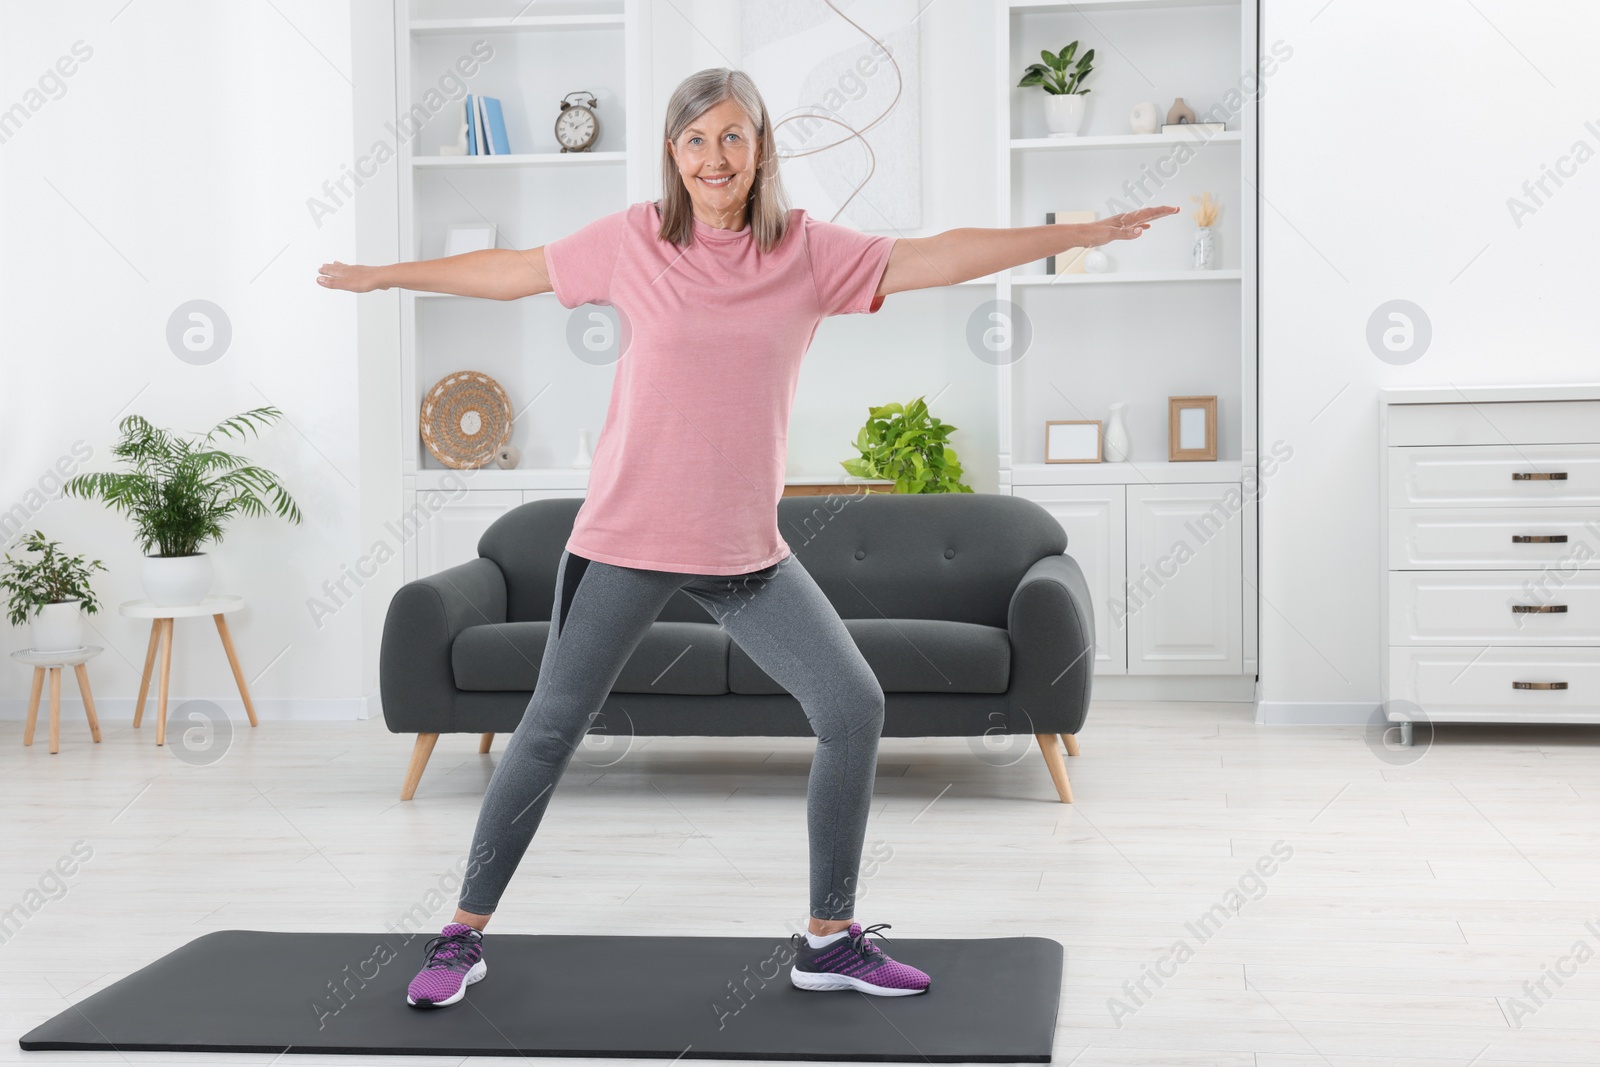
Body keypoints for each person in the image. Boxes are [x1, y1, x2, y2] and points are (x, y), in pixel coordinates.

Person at [318, 67, 1175, 1010]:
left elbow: (941, 254)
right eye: (694, 140)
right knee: (551, 727)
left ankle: (829, 938)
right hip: (625, 541)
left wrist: (1077, 235)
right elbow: (512, 270)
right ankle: (461, 936)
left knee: (851, 707)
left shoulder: (808, 253)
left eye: (732, 137)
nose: (713, 157)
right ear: (672, 154)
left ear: (761, 147)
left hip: (746, 554)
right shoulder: (634, 240)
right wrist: (384, 274)